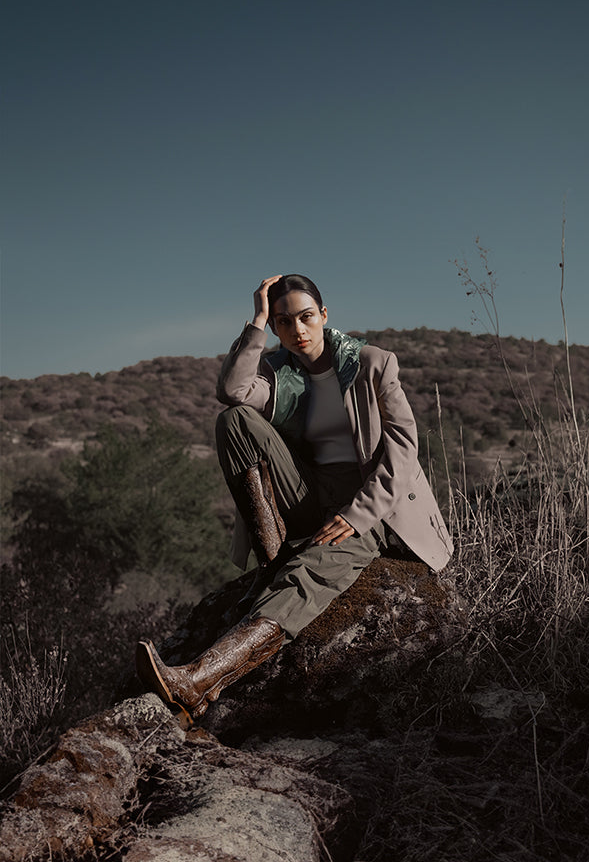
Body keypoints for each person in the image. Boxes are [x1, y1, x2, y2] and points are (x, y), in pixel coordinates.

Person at [136, 274, 453, 719]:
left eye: (306, 317)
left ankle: (198, 680)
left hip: (371, 501)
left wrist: (358, 514)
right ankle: (272, 560)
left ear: (324, 315)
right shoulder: (278, 370)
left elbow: (403, 450)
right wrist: (257, 322)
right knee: (234, 420)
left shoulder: (372, 363)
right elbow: (232, 393)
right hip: (310, 490)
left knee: (309, 573)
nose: (297, 330)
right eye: (284, 322)